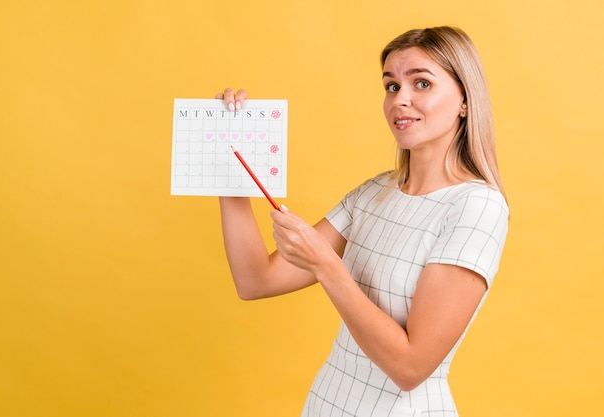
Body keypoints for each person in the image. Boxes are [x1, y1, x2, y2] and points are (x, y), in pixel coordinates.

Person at [217, 26, 509, 417]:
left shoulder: (477, 207)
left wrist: (325, 264)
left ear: (465, 101)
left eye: (421, 83)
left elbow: (410, 368)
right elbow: (256, 281)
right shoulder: (374, 192)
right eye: (391, 86)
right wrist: (229, 162)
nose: (400, 99)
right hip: (328, 405)